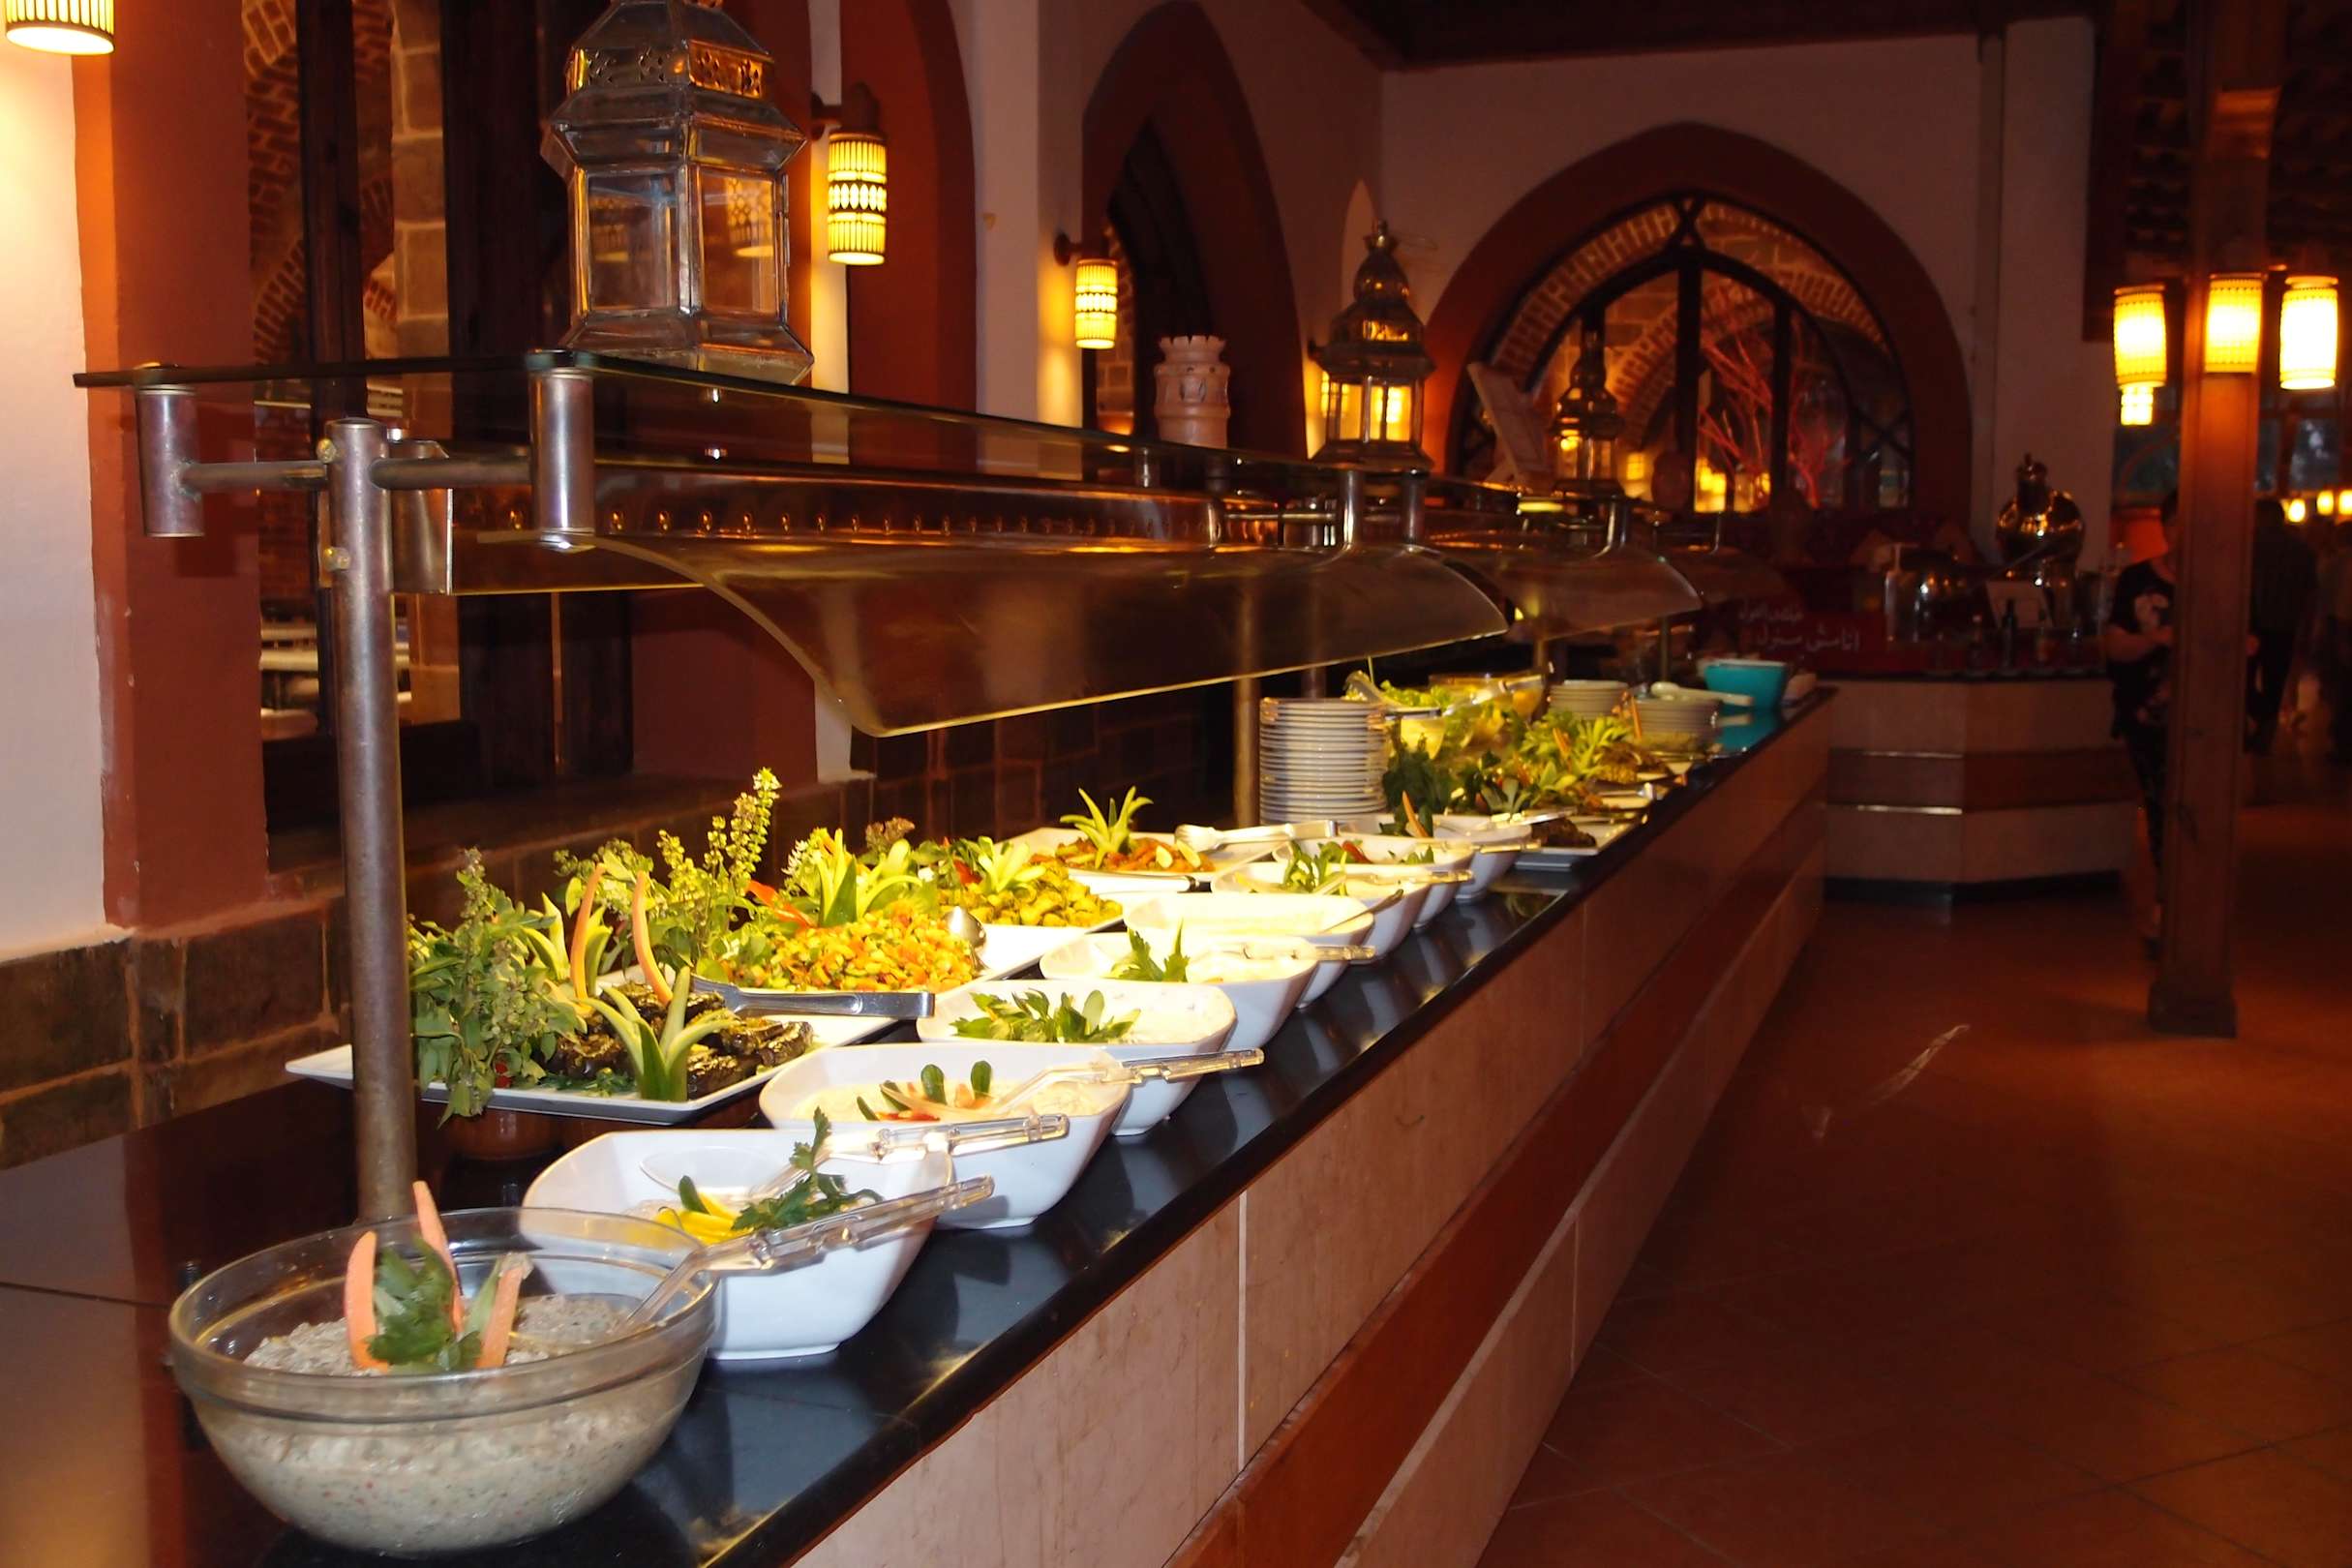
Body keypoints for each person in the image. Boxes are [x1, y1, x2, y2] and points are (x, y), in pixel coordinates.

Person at [2105, 493, 2178, 943]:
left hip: (2202, 721)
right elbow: (2115, 647)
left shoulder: (2222, 582)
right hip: (2147, 716)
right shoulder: (2137, 580)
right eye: (2177, 523)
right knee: (2160, 807)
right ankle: (2166, 903)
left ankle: (2183, 905)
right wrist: (2157, 638)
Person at [2246, 497, 2317, 754]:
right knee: (2275, 682)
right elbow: (2310, 594)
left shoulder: (2249, 546)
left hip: (2251, 625)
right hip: (2285, 626)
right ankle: (2266, 732)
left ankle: (2256, 723)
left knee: (2243, 680)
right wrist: (2306, 628)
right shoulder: (2302, 551)